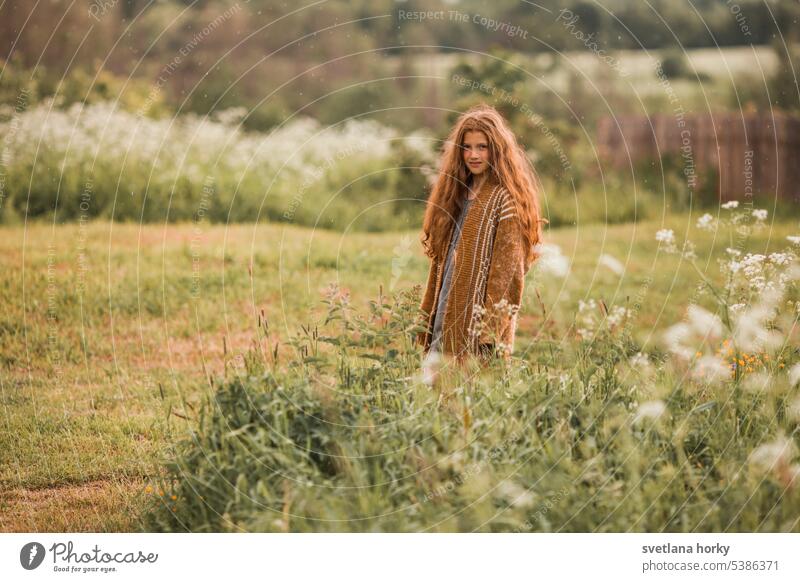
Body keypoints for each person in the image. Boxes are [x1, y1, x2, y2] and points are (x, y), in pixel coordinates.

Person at [416, 103, 548, 366]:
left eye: (482, 147)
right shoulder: (455, 195)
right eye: (467, 147)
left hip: (477, 324)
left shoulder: (506, 201)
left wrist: (489, 331)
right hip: (445, 308)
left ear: (496, 150)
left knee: (472, 391)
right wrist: (426, 317)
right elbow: (439, 265)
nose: (473, 155)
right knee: (437, 391)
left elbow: (508, 273)